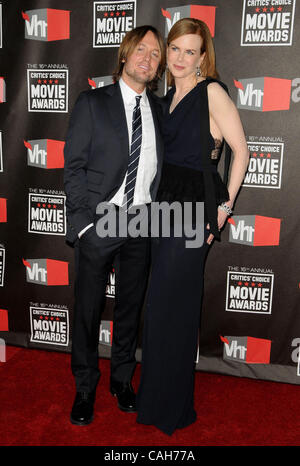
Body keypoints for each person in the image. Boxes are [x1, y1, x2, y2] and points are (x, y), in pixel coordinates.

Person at [136, 18, 249, 435]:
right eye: (175, 49)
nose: (180, 58)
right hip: (163, 208)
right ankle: (156, 400)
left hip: (194, 209)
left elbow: (242, 151)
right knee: (161, 306)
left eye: (190, 51)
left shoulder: (212, 92)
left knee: (176, 308)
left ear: (203, 57)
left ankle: (173, 408)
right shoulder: (165, 96)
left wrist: (223, 208)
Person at [63, 25, 165, 426]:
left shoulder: (159, 109)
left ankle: (122, 379)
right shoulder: (92, 103)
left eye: (155, 54)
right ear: (125, 55)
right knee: (88, 310)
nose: (148, 58)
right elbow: (73, 168)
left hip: (142, 220)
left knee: (129, 310)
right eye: (142, 49)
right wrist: (86, 225)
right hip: (100, 221)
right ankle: (85, 386)